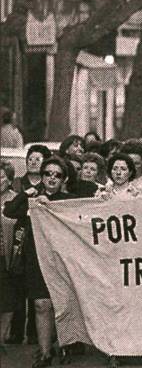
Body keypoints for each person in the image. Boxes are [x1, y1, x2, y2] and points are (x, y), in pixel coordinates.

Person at [3, 157, 77, 367]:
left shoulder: (69, 201)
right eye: (47, 174)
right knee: (41, 304)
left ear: (64, 179)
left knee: (61, 305)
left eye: (57, 175)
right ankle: (45, 353)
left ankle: (64, 344)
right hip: (35, 259)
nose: (52, 178)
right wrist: (27, 195)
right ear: (42, 177)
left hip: (62, 259)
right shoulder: (32, 198)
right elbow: (9, 212)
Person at [0, 161, 17, 347]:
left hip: (6, 257)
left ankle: (2, 336)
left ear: (10, 180)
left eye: (1, 177)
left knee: (6, 299)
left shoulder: (15, 199)